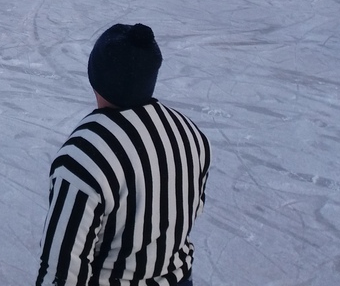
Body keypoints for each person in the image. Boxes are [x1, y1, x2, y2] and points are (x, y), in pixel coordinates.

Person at [36, 23, 211, 286]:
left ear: (95, 77)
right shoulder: (190, 133)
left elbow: (63, 267)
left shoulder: (85, 155)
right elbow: (190, 210)